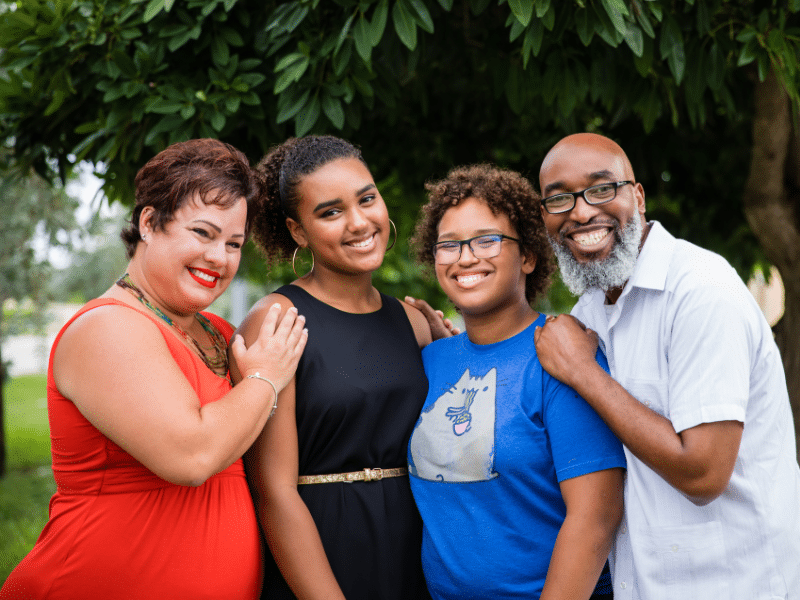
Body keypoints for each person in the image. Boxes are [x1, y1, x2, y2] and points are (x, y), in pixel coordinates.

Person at [0, 139, 308, 600]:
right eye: (202, 233)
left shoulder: (222, 333)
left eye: (234, 243)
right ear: (149, 223)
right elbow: (192, 458)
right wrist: (265, 378)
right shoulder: (107, 327)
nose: (219, 257)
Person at [534, 132, 800, 599]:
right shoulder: (588, 312)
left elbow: (703, 473)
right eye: (559, 199)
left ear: (637, 196)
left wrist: (584, 372)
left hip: (736, 583)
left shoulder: (701, 291)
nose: (579, 212)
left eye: (600, 189)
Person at [407, 164, 626, 600]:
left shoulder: (561, 353)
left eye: (487, 240)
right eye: (449, 245)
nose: (465, 257)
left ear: (527, 256)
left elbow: (596, 516)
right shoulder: (430, 361)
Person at [233, 135, 433, 600]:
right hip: (322, 550)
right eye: (330, 211)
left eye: (367, 199)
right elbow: (274, 492)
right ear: (298, 231)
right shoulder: (277, 320)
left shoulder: (414, 323)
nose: (360, 222)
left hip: (416, 549)